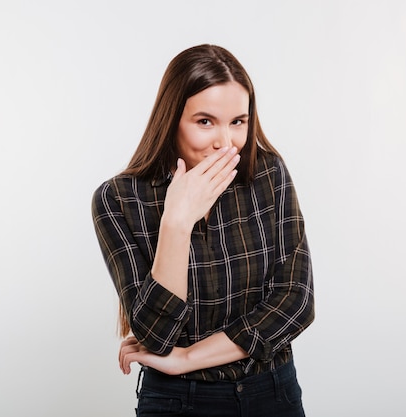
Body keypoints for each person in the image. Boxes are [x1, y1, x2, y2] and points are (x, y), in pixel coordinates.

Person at [92, 44, 315, 417]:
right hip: (176, 401)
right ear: (171, 119)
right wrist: (177, 222)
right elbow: (156, 337)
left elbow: (295, 303)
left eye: (238, 122)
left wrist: (188, 357)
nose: (225, 143)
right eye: (205, 122)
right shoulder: (118, 199)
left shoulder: (267, 174)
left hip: (272, 393)